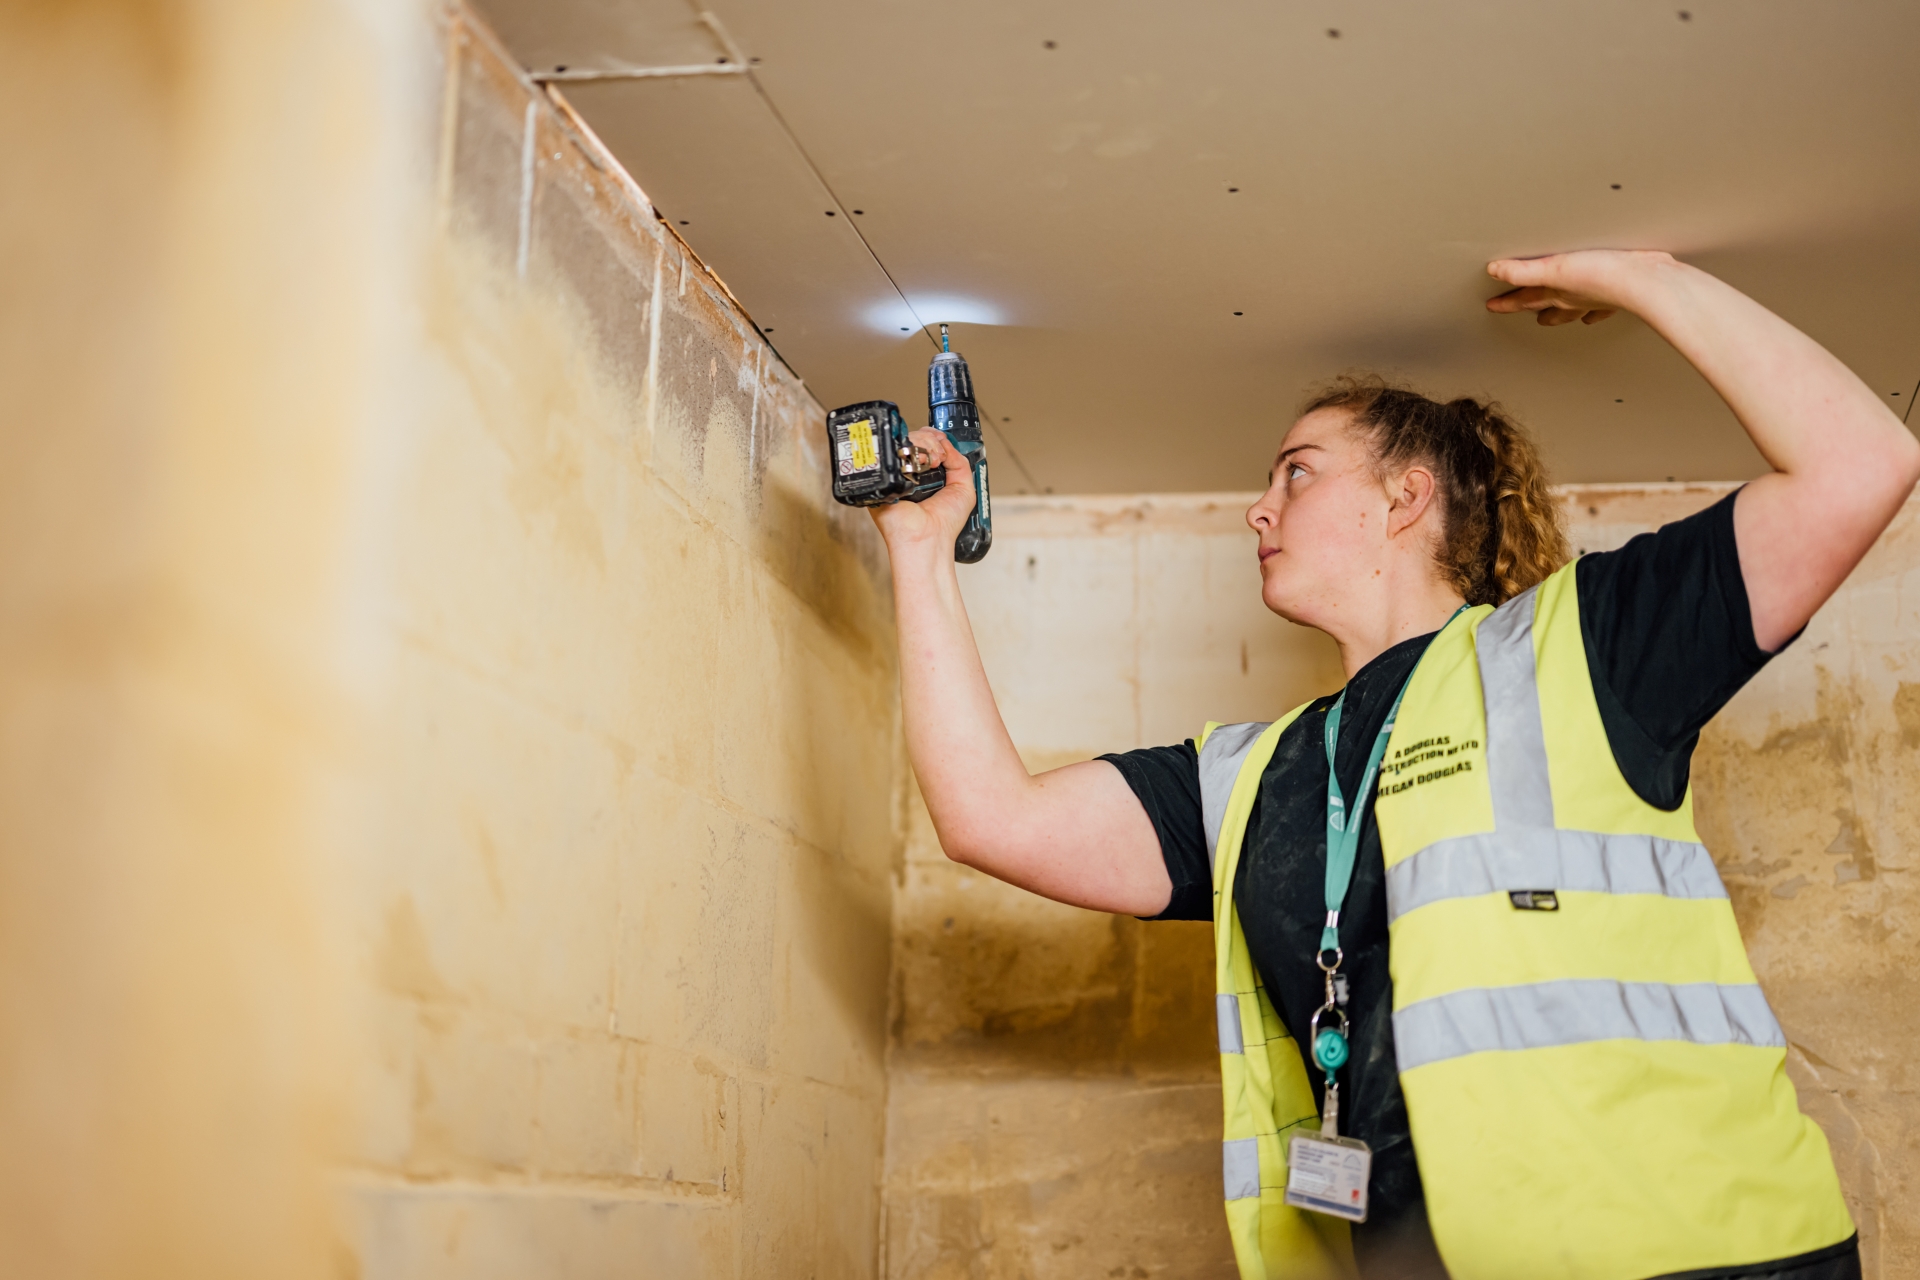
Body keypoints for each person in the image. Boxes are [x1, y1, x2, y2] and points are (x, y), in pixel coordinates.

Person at [869, 250, 1920, 1280]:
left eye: (1297, 472)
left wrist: (1638, 275)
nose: (1258, 507)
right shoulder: (1253, 775)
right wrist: (920, 551)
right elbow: (988, 816)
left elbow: (1862, 463)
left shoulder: (1578, 654)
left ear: (1405, 496)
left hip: (1701, 1253)